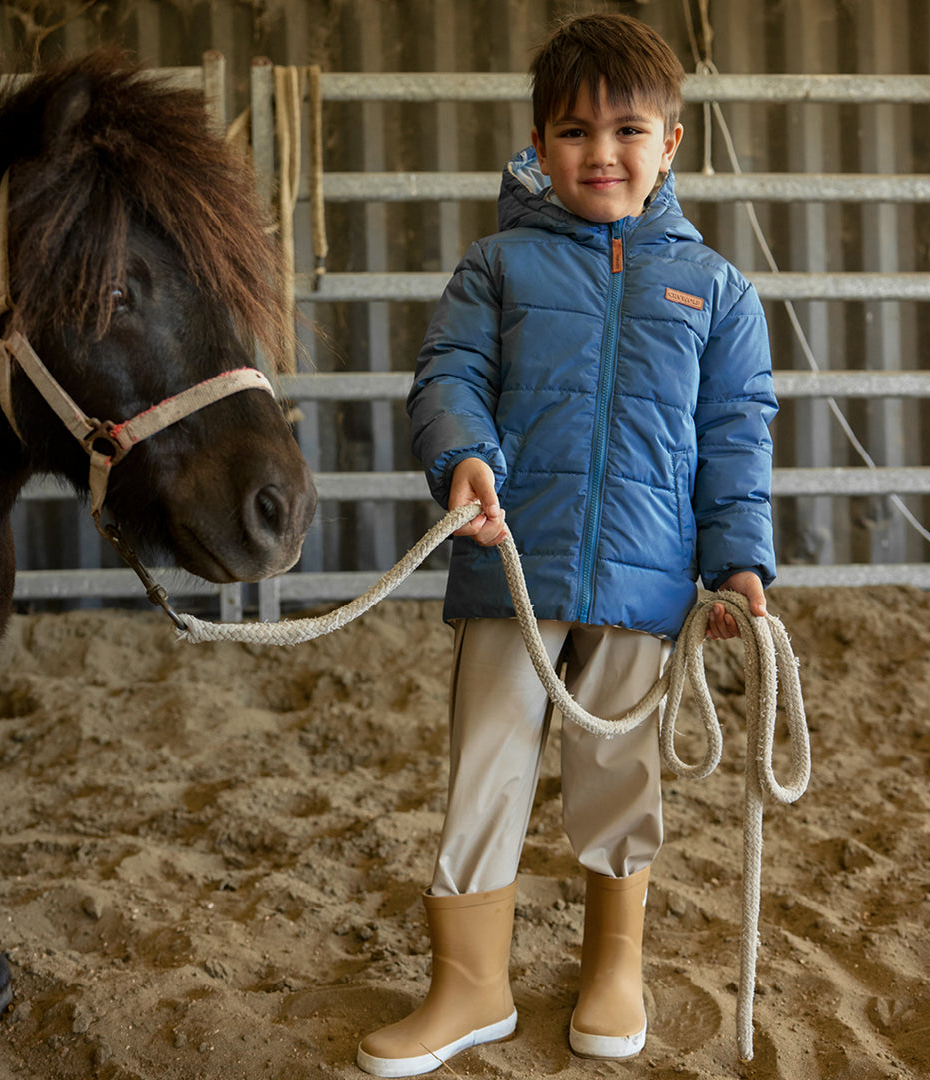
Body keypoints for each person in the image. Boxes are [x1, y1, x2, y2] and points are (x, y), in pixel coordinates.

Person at [356, 12, 776, 1077]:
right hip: (511, 570)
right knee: (484, 770)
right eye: (575, 131)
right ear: (539, 145)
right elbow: (448, 378)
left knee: (618, 775)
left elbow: (736, 435)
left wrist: (738, 563)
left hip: (643, 586)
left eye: (629, 130)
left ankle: (613, 965)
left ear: (670, 144)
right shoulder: (495, 269)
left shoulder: (716, 292)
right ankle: (471, 986)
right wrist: (463, 457)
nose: (603, 152)